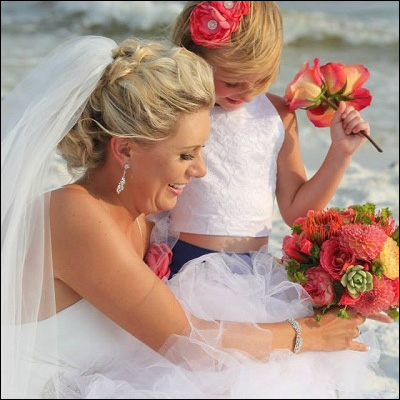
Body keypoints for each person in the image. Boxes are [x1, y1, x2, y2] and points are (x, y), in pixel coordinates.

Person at [1, 36, 391, 400]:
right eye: (186, 154)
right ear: (126, 151)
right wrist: (307, 335)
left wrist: (329, 288)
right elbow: (191, 345)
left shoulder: (143, 216)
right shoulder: (74, 214)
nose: (200, 170)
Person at [168, 1, 375, 275]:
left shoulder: (276, 115)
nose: (249, 93)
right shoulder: (174, 108)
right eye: (232, 82)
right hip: (186, 264)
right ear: (194, 56)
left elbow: (296, 214)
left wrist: (341, 153)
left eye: (261, 79)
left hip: (255, 269)